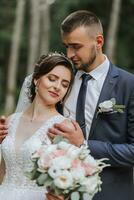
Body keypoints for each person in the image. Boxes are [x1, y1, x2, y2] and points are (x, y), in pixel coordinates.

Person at [0, 10, 134, 200]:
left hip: (111, 194)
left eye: (76, 47)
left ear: (99, 42)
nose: (70, 54)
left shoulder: (128, 85)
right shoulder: (64, 82)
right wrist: (9, 135)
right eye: (66, 46)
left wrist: (84, 144)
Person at [0, 52, 77, 200]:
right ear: (36, 79)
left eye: (64, 84)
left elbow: (69, 181)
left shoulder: (64, 127)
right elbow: (3, 172)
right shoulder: (10, 121)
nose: (57, 87)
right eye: (52, 79)